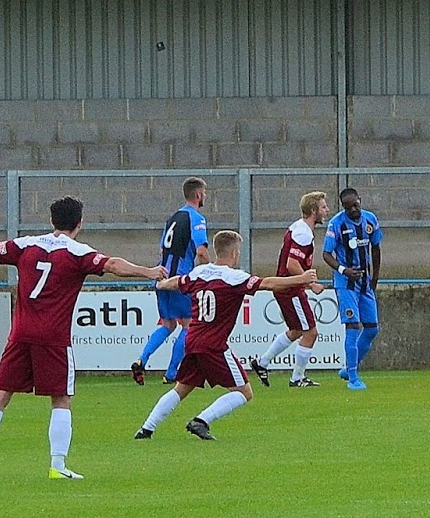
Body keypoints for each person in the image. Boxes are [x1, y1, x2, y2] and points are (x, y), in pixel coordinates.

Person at [0, 195, 166, 480]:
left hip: (20, 335)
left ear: (51, 220)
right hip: (53, 338)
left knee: (0, 396)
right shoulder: (77, 252)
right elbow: (113, 264)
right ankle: (57, 465)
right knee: (61, 399)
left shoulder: (27, 244)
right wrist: (148, 272)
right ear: (80, 223)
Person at [135, 230, 316, 440]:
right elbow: (268, 283)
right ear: (234, 253)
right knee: (244, 392)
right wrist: (300, 279)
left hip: (192, 340)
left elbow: (178, 282)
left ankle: (146, 429)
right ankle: (201, 421)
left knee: (181, 388)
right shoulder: (234, 277)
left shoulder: (199, 272)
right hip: (214, 344)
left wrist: (161, 283)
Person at [131, 176, 215, 387]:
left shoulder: (173, 218)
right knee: (188, 325)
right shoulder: (196, 218)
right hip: (180, 280)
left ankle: (142, 360)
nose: (204, 197)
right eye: (204, 194)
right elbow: (202, 252)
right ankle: (171, 373)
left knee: (168, 324)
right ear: (198, 195)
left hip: (162, 275)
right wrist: (211, 271)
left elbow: (163, 248)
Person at [253, 190, 331, 387]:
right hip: (290, 289)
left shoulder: (298, 227)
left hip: (286, 288)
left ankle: (262, 363)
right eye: (323, 207)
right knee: (311, 332)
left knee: (296, 330)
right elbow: (292, 264)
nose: (326, 210)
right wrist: (311, 284)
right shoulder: (303, 233)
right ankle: (297, 378)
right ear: (314, 211)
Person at [323, 186, 382, 390]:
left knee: (373, 328)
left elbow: (376, 249)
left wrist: (375, 278)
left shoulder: (370, 219)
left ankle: (349, 368)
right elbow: (326, 254)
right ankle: (353, 378)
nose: (354, 210)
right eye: (349, 208)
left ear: (360, 200)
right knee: (352, 327)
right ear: (343, 208)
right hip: (346, 285)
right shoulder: (336, 224)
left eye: (356, 205)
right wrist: (343, 269)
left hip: (365, 284)